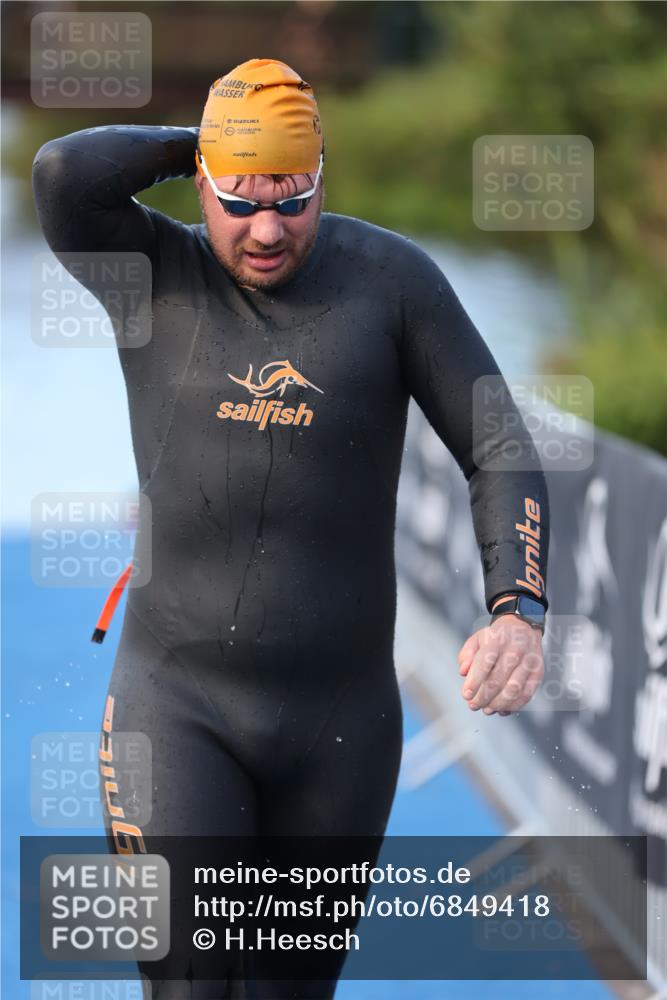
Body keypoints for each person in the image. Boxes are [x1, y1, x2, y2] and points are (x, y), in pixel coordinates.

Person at [32, 57, 549, 1000]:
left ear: (323, 176)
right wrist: (213, 140)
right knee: (188, 984)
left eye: (293, 196)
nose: (268, 228)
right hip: (174, 704)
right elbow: (64, 172)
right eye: (241, 198)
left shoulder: (392, 284)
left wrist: (516, 607)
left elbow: (500, 445)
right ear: (202, 181)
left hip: (338, 729)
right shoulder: (150, 273)